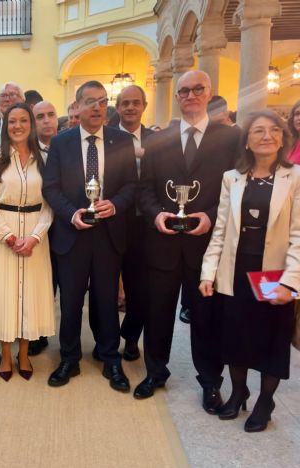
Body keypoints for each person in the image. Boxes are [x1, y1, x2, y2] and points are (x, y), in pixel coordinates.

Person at [135, 71, 241, 412]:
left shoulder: (231, 137)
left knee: (207, 317)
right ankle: (155, 372)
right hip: (163, 242)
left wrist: (209, 216)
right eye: (184, 91)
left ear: (209, 93)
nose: (190, 95)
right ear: (177, 96)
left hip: (207, 244)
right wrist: (156, 215)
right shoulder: (158, 139)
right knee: (157, 313)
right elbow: (145, 188)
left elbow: (237, 189)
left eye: (198, 89)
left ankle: (210, 382)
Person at [200, 110, 300, 432]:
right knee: (235, 337)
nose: (266, 136)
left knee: (273, 339)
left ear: (283, 138)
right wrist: (208, 272)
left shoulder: (295, 177)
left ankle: (264, 401)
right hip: (236, 269)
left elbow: (299, 235)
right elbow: (220, 230)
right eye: (258, 130)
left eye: (274, 130)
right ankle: (238, 392)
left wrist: (291, 282)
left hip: (275, 274)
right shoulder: (232, 178)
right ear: (247, 140)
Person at [42, 80, 137, 392]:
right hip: (72, 233)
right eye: (90, 101)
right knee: (70, 300)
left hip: (109, 233)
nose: (97, 107)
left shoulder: (121, 141)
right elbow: (50, 187)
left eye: (102, 101)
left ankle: (110, 357)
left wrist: (116, 204)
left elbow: (131, 185)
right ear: (77, 107)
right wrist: (72, 214)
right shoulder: (61, 143)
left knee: (106, 299)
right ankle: (69, 358)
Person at [0, 103, 55, 381]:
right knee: (5, 294)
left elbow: (50, 203)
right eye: (12, 121)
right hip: (2, 236)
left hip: (36, 234)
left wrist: (35, 236)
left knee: (29, 295)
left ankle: (24, 353)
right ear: (5, 125)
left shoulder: (45, 158)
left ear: (31, 124)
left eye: (24, 120)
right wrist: (9, 237)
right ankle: (5, 354)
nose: (18, 126)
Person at [115, 85, 155, 362]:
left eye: (135, 102)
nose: (130, 107)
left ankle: (131, 338)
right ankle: (105, 340)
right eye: (125, 103)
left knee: (139, 288)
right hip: (111, 221)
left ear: (144, 106)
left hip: (143, 224)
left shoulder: (156, 140)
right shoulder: (105, 138)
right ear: (118, 107)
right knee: (105, 288)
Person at [28, 100, 59, 356]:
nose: (46, 120)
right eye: (40, 116)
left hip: (66, 224)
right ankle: (37, 333)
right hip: (36, 225)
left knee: (64, 284)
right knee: (39, 285)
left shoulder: (69, 146)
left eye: (51, 115)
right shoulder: (27, 152)